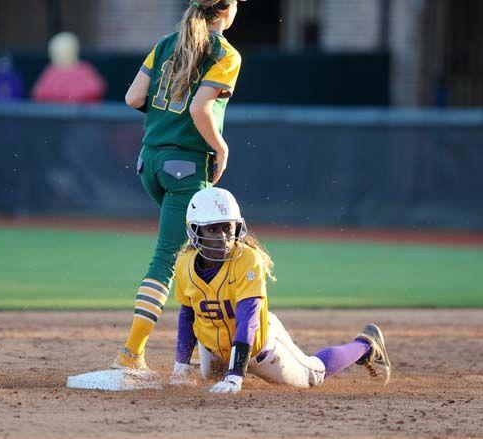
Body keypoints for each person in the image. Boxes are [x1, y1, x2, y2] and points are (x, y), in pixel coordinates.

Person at [113, 0, 247, 370]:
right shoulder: (225, 54)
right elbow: (198, 109)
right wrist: (220, 147)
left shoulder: (166, 44)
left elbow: (133, 97)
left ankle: (198, 351)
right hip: (186, 168)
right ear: (224, 11)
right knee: (168, 260)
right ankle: (131, 353)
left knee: (193, 252)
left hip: (150, 164)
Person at [169, 187, 392, 393]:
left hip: (259, 347)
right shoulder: (184, 263)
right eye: (212, 229)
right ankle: (228, 366)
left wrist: (235, 374)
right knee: (210, 383)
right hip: (213, 349)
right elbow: (188, 314)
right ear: (195, 230)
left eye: (227, 227)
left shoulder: (247, 259)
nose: (223, 238)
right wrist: (181, 364)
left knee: (313, 375)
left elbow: (248, 319)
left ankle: (366, 345)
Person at [32, 32, 106, 103]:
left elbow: (96, 89)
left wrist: (72, 98)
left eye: (66, 51)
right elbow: (39, 93)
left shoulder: (84, 69)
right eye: (58, 52)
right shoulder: (51, 71)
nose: (62, 54)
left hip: (82, 113)